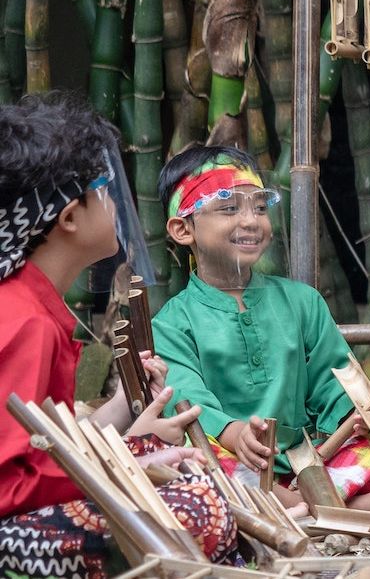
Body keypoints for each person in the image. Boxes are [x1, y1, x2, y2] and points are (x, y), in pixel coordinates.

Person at [0, 93, 236, 576]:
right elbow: (9, 487)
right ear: (68, 219)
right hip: (10, 534)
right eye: (103, 188)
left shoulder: (31, 305)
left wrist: (127, 412)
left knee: (156, 454)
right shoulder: (25, 323)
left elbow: (48, 447)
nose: (114, 202)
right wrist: (128, 470)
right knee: (200, 507)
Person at [152, 146, 370, 512]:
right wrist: (236, 435)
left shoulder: (302, 301)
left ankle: (303, 509)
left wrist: (358, 413)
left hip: (310, 466)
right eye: (230, 208)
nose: (251, 221)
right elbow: (187, 406)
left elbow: (335, 380)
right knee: (190, 458)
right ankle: (337, 511)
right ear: (183, 229)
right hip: (236, 465)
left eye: (260, 207)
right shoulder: (171, 323)